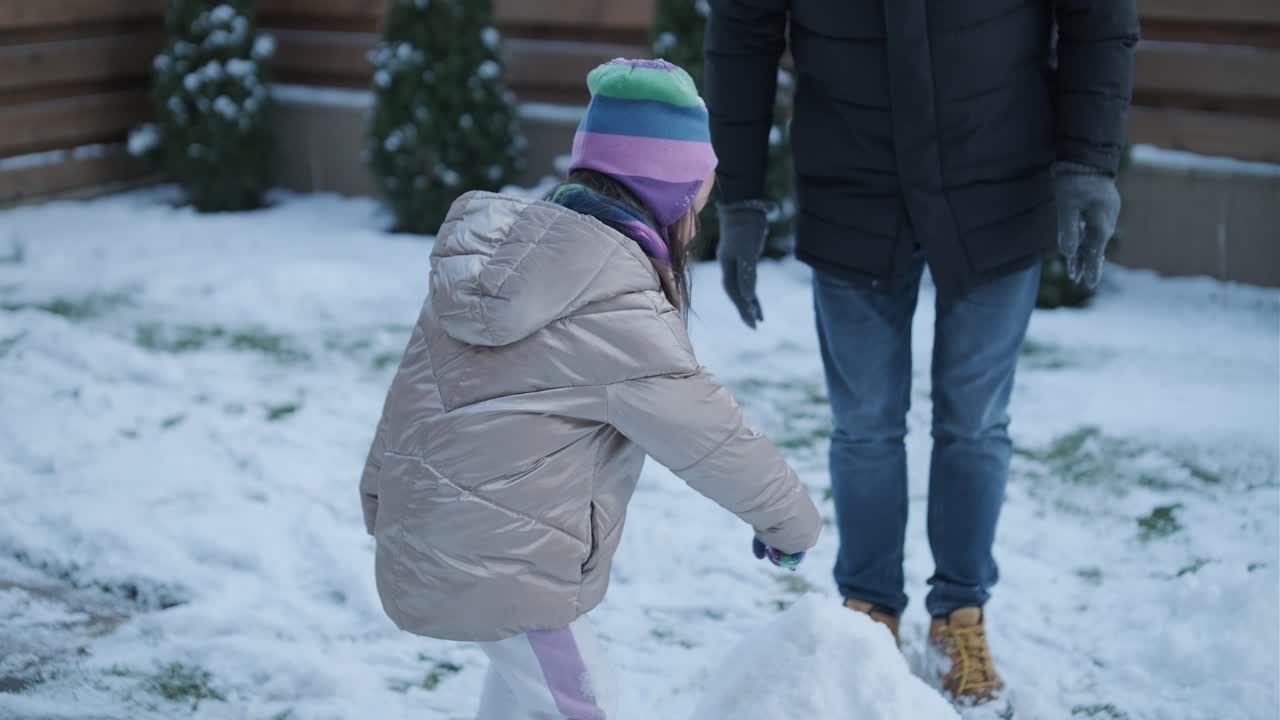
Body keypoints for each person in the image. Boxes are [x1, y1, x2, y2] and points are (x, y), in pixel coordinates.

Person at [705, 0, 1138, 709]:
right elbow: (742, 31)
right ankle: (869, 613)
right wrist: (741, 198)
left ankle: (959, 615)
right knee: (865, 424)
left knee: (974, 422)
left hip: (999, 176)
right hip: (851, 184)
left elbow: (1098, 14)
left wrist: (1089, 161)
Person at [358, 58, 821, 720]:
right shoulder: (614, 296)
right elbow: (711, 436)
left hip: (435, 533)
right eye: (699, 197)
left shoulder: (497, 263)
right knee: (589, 705)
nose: (698, 216)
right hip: (508, 558)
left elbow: (416, 390)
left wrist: (381, 492)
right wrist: (789, 522)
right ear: (667, 194)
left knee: (527, 690)